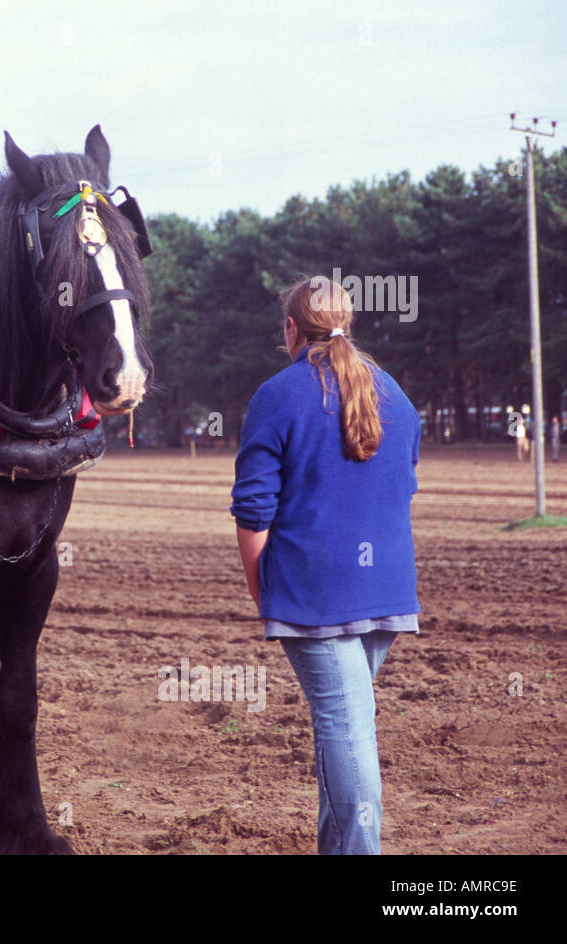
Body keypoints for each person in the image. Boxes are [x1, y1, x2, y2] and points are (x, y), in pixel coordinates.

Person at [230, 276, 421, 855]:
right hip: (388, 592)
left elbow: (253, 510)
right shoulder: (394, 392)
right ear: (349, 321)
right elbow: (404, 485)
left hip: (317, 596)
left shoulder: (277, 394)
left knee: (346, 730)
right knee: (342, 724)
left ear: (291, 328)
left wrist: (261, 590)